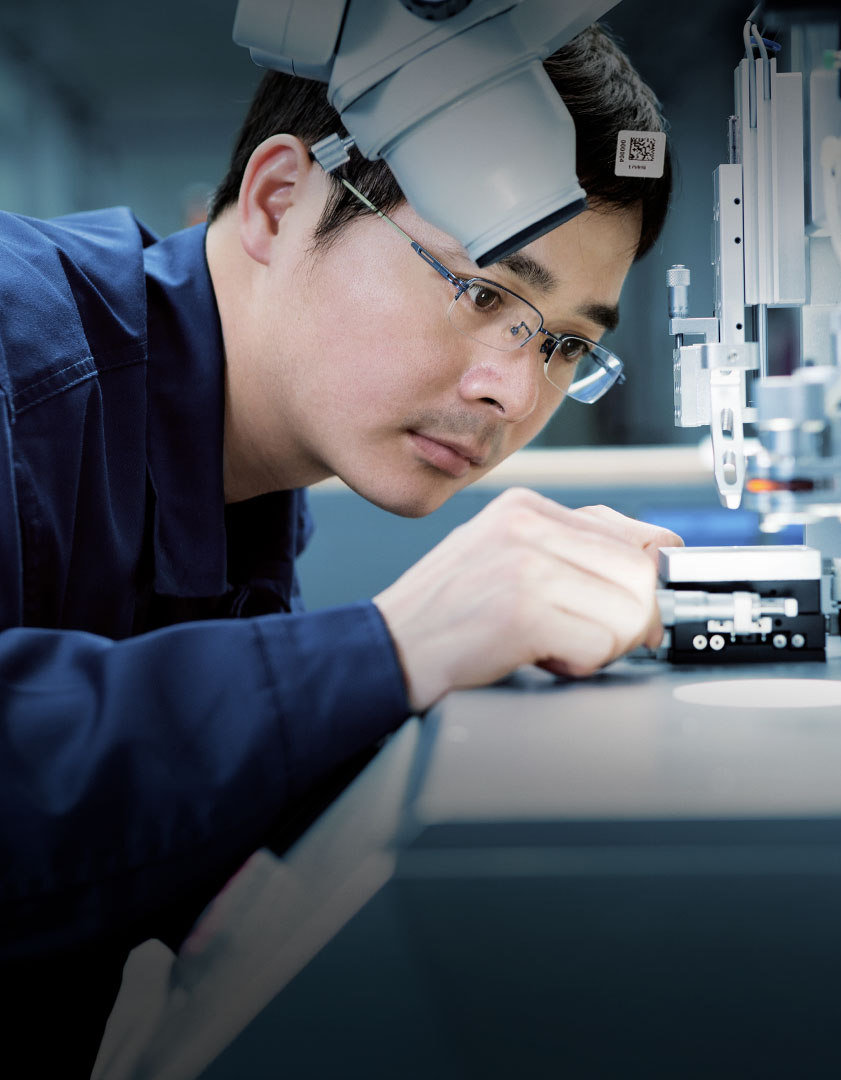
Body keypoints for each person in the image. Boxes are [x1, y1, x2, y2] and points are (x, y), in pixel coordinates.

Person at [0, 23, 678, 1072]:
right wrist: (393, 648)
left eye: (567, 345)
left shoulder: (243, 489)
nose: (514, 391)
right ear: (279, 201)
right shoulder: (20, 354)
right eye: (484, 291)